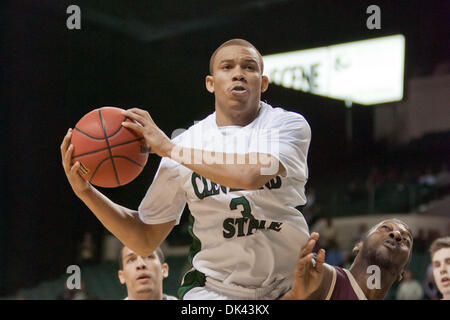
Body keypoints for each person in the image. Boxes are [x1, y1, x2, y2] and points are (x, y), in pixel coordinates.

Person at [61, 39, 312, 300]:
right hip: (215, 290)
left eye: (249, 67)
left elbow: (250, 176)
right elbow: (144, 239)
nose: (238, 73)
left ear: (262, 82)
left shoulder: (286, 125)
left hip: (292, 281)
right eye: (227, 67)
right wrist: (86, 193)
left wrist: (170, 149)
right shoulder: (185, 143)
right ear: (210, 83)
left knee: (335, 278)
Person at [281, 218, 413, 300]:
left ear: (402, 272)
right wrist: (293, 297)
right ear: (359, 245)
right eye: (385, 228)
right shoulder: (326, 279)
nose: (396, 234)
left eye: (406, 240)